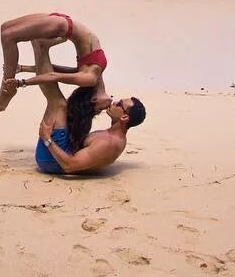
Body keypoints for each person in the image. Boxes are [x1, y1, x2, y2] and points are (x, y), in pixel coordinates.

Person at [23, 38, 146, 175]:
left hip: (52, 162)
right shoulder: (113, 134)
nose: (114, 102)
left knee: (58, 104)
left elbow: (69, 166)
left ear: (124, 117)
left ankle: (41, 47)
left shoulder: (109, 143)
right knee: (93, 78)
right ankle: (52, 47)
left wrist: (47, 139)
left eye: (119, 104)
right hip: (65, 150)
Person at [0, 12, 108, 112]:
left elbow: (53, 73)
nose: (107, 106)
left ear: (94, 99)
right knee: (6, 31)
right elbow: (53, 74)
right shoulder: (91, 77)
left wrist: (22, 72)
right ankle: (8, 90)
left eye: (100, 109)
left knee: (7, 32)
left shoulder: (89, 76)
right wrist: (21, 82)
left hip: (63, 24)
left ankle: (7, 88)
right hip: (63, 25)